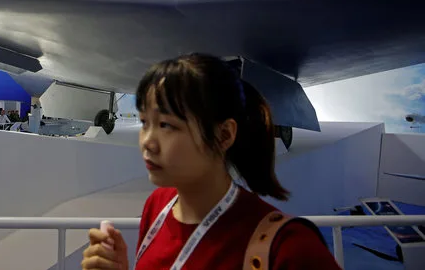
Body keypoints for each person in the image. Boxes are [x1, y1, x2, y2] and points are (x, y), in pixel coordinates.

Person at [81, 53, 340, 270]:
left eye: (166, 125)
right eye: (145, 123)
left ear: (224, 135)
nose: (147, 141)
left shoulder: (290, 248)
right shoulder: (156, 208)